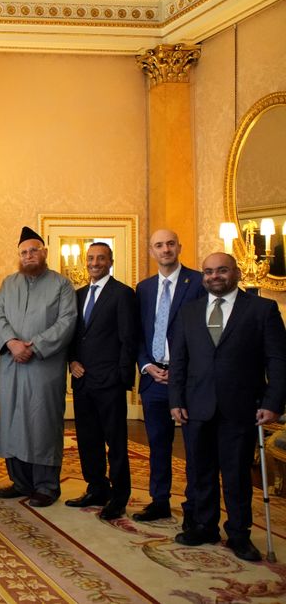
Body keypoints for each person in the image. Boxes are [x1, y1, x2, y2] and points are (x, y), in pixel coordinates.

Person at [169, 252, 286, 561]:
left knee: (235, 474)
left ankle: (238, 533)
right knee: (200, 471)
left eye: (221, 270)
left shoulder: (262, 309)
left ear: (235, 273)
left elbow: (278, 359)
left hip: (242, 405)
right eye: (208, 272)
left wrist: (274, 402)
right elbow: (179, 360)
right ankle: (204, 526)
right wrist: (176, 400)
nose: (214, 276)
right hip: (197, 405)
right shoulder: (189, 311)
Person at [0, 226, 76, 507]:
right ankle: (20, 482)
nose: (28, 255)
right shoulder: (8, 283)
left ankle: (46, 486)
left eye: (33, 250)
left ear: (44, 253)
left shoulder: (61, 284)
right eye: (24, 252)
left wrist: (34, 346)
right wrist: (12, 343)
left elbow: (66, 323)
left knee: (42, 423)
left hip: (44, 366)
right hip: (11, 364)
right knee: (13, 421)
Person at [133, 229, 205, 524]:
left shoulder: (199, 282)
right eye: (159, 245)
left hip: (187, 379)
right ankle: (159, 500)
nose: (165, 249)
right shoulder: (144, 288)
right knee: (158, 444)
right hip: (153, 378)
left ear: (179, 246)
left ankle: (195, 507)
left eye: (170, 244)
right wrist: (146, 365)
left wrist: (180, 369)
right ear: (152, 251)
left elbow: (203, 333)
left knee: (193, 447)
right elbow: (137, 333)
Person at [65, 243, 138, 520]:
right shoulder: (78, 294)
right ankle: (96, 487)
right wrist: (71, 361)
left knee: (115, 442)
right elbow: (73, 336)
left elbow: (128, 339)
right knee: (87, 439)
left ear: (111, 260)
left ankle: (119, 497)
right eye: (91, 258)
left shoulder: (122, 294)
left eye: (101, 258)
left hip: (110, 383)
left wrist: (121, 378)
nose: (95, 262)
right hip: (82, 380)